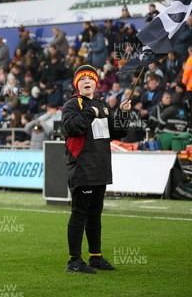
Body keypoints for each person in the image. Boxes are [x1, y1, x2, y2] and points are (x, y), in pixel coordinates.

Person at [62, 65, 131, 274]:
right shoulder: (72, 104)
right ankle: (74, 261)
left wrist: (124, 113)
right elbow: (72, 128)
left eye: (90, 78)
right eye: (82, 79)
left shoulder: (103, 105)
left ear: (95, 83)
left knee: (95, 215)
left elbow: (119, 132)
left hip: (100, 169)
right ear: (77, 84)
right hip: (82, 169)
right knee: (79, 214)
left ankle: (96, 257)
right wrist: (88, 114)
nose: (86, 81)